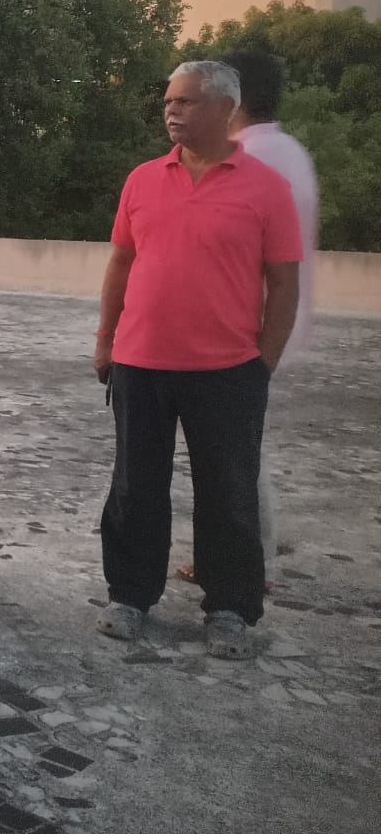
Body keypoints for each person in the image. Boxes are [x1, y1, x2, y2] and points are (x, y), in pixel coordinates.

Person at [94, 61, 302, 660]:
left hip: (228, 370)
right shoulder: (142, 180)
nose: (170, 111)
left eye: (184, 102)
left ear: (223, 109)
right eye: (168, 101)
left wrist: (263, 360)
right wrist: (106, 341)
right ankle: (130, 597)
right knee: (136, 487)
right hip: (141, 362)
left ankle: (230, 609)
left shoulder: (265, 187)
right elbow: (121, 265)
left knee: (228, 493)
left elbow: (283, 284)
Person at [174, 50, 319, 588]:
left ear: (228, 97)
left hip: (245, 331)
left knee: (233, 457)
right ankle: (243, 554)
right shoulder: (290, 151)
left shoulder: (251, 159)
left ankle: (239, 562)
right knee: (241, 449)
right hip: (266, 328)